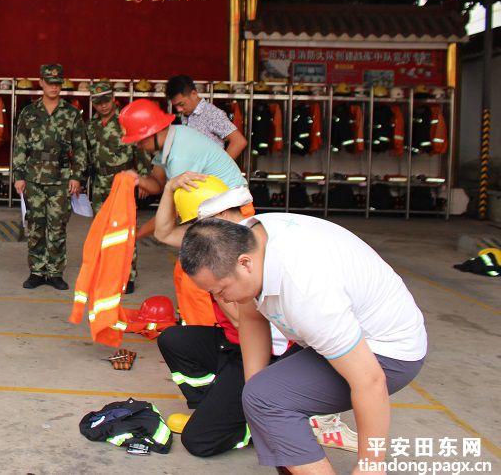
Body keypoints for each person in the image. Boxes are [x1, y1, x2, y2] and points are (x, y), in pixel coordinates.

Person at [180, 213, 427, 474]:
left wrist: (371, 464)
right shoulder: (246, 239)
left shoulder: (307, 292)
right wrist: (253, 394)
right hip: (336, 335)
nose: (221, 298)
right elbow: (252, 316)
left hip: (388, 352)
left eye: (221, 290)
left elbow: (370, 381)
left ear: (245, 264)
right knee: (261, 398)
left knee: (267, 399)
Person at [152, 173, 356, 459]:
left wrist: (216, 287)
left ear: (221, 214)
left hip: (262, 353)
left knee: (199, 442)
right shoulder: (216, 240)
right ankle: (210, 405)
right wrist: (170, 187)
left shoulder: (253, 251)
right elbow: (162, 233)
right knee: (174, 338)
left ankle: (265, 421)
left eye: (196, 224)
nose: (193, 233)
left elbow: (242, 320)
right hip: (230, 343)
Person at [120, 98, 246, 241]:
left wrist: (137, 234)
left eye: (139, 141)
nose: (138, 146)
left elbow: (171, 214)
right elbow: (158, 183)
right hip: (214, 212)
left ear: (153, 133)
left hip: (232, 214)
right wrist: (137, 179)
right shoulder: (174, 137)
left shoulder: (180, 155)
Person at [12, 63, 87, 290]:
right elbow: (20, 146)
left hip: (61, 178)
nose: (54, 87)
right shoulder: (29, 112)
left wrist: (77, 177)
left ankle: (55, 272)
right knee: (35, 225)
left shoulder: (71, 113)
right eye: (50, 82)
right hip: (34, 177)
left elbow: (80, 148)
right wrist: (19, 175)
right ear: (41, 82)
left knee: (57, 227)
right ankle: (36, 271)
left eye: (58, 83)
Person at [84, 80, 152, 293]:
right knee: (102, 231)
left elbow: (141, 150)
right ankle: (107, 274)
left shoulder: (125, 122)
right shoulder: (91, 125)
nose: (103, 106)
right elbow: (86, 155)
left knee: (124, 230)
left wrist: (144, 179)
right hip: (99, 184)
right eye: (98, 103)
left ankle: (128, 276)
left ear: (113, 98)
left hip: (123, 182)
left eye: (106, 101)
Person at [167, 75, 246, 160]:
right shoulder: (186, 114)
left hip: (208, 172)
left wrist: (220, 169)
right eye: (176, 106)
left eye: (181, 104)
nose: (178, 109)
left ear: (194, 94)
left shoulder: (211, 113)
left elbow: (239, 141)